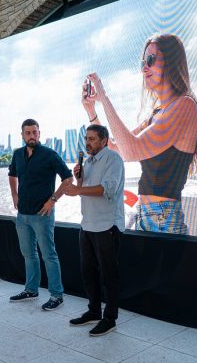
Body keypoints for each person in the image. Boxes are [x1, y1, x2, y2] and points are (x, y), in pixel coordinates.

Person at [81, 33, 197, 234]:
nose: (145, 68)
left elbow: (130, 151)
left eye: (151, 60)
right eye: (143, 62)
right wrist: (92, 111)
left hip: (164, 218)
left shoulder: (184, 105)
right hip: (147, 214)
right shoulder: (158, 113)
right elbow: (118, 149)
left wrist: (104, 97)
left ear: (171, 61)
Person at [64, 124, 125, 336]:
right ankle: (94, 312)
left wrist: (78, 188)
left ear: (104, 140)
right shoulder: (87, 162)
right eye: (86, 138)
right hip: (87, 224)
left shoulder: (113, 159)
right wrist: (79, 176)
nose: (87, 142)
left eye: (92, 139)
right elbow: (84, 190)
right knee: (88, 271)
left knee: (109, 275)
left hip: (106, 225)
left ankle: (110, 318)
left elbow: (106, 189)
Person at [8, 118, 73, 310]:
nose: (31, 136)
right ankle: (31, 289)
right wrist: (14, 194)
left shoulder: (49, 154)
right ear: (22, 135)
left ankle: (56, 295)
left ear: (39, 133)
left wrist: (53, 200)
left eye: (34, 132)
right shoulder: (18, 154)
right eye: (27, 133)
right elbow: (12, 174)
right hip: (23, 215)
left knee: (49, 255)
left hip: (42, 214)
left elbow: (68, 179)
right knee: (29, 254)